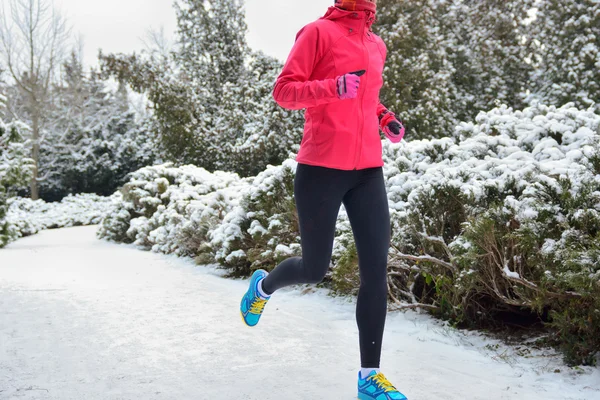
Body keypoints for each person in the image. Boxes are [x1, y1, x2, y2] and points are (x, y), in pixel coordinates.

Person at [240, 0, 407, 398]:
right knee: (315, 269)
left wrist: (384, 118)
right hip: (320, 168)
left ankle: (369, 378)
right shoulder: (317, 32)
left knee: (375, 271)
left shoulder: (375, 44)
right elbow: (284, 91)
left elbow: (366, 98)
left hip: (368, 169)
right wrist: (331, 88)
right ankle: (263, 288)